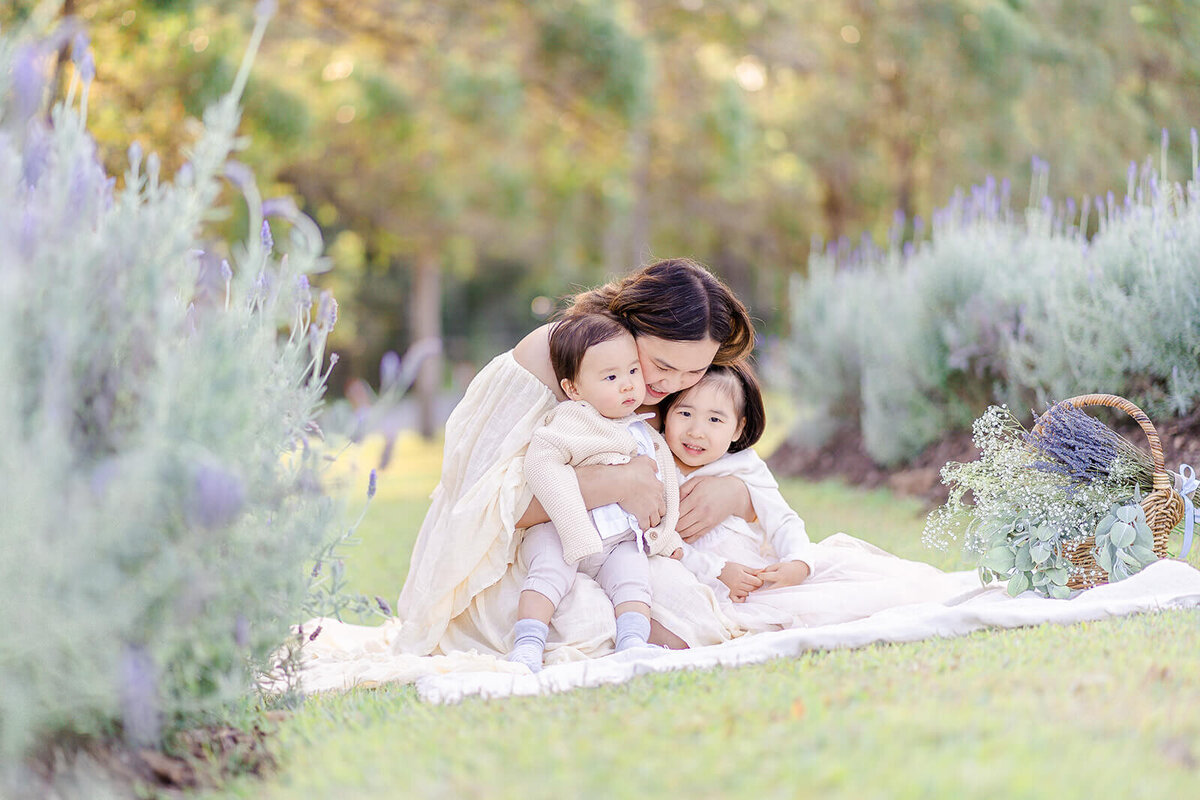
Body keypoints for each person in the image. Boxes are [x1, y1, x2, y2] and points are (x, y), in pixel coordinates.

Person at [392, 258, 756, 664]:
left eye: (694, 372)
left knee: (699, 606)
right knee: (588, 623)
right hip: (514, 555)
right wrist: (620, 482)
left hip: (619, 546)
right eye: (663, 366)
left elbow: (718, 451)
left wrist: (734, 491)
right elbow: (481, 505)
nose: (670, 384)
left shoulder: (663, 372)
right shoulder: (549, 357)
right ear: (631, 322)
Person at [664, 362, 977, 631]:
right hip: (701, 577)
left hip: (757, 577)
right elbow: (657, 538)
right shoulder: (658, 462)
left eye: (715, 419)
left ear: (737, 428)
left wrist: (798, 562)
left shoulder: (744, 464)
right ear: (665, 415)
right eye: (685, 413)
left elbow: (782, 518)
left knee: (851, 597)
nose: (696, 431)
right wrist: (717, 570)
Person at [509, 311, 684, 671]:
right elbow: (541, 463)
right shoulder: (572, 421)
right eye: (611, 377)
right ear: (574, 389)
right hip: (560, 530)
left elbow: (663, 488)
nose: (627, 385)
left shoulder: (643, 432)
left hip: (617, 538)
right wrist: (574, 528)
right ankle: (527, 645)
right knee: (547, 573)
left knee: (634, 578)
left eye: (633, 371)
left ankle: (632, 641)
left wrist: (666, 537)